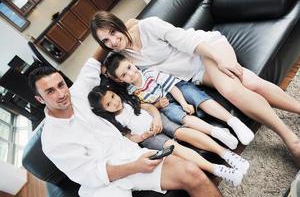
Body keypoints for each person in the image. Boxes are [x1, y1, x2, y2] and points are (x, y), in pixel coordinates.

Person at [90, 11, 300, 164]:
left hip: (207, 50)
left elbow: (189, 41)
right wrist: (107, 44)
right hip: (196, 74)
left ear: (119, 25)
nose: (113, 41)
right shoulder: (123, 58)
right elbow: (96, 66)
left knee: (230, 89)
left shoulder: (149, 26)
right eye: (106, 40)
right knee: (250, 82)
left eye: (113, 32)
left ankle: (291, 140)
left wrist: (220, 60)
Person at [27, 50, 223, 197]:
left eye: (61, 85)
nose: (61, 94)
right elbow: (89, 175)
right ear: (40, 99)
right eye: (50, 91)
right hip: (103, 187)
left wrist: (116, 29)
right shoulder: (52, 140)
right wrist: (135, 167)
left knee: (191, 172)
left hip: (131, 155)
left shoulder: (77, 93)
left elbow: (93, 61)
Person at [88, 83, 250, 186]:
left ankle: (227, 155)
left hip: (159, 120)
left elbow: (150, 108)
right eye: (109, 104)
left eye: (113, 97)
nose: (115, 102)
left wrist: (157, 119)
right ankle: (218, 170)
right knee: (174, 147)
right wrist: (143, 136)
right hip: (150, 138)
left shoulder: (129, 101)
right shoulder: (115, 121)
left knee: (182, 132)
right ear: (104, 110)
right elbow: (130, 137)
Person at [104, 52, 254, 149]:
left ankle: (234, 122)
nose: (131, 74)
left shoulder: (149, 73)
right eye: (124, 75)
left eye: (129, 67)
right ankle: (217, 132)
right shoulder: (131, 92)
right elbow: (148, 107)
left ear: (131, 62)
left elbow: (172, 88)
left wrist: (183, 103)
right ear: (119, 80)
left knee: (193, 95)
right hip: (164, 106)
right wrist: (157, 105)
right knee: (180, 117)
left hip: (175, 90)